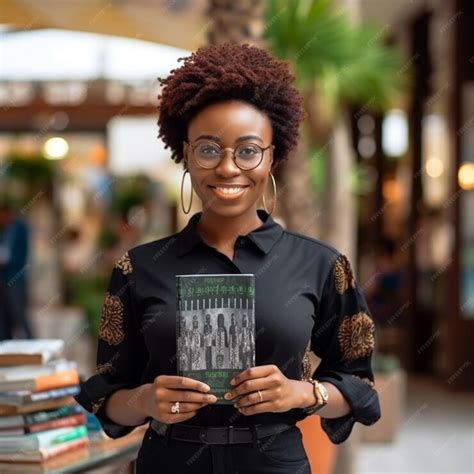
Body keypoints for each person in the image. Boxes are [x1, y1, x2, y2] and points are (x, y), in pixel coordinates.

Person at [75, 43, 380, 473]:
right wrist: (145, 400)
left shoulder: (321, 264)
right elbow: (108, 396)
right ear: (185, 153)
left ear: (272, 155)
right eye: (208, 149)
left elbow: (361, 385)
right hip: (170, 461)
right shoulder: (138, 268)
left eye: (249, 150)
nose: (228, 168)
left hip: (275, 462)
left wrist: (302, 393)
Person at [0, 201, 33, 340]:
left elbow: (21, 256)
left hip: (16, 278)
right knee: (4, 317)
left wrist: (7, 260)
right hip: (3, 278)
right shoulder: (3, 229)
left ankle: (32, 345)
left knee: (18, 314)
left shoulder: (20, 229)